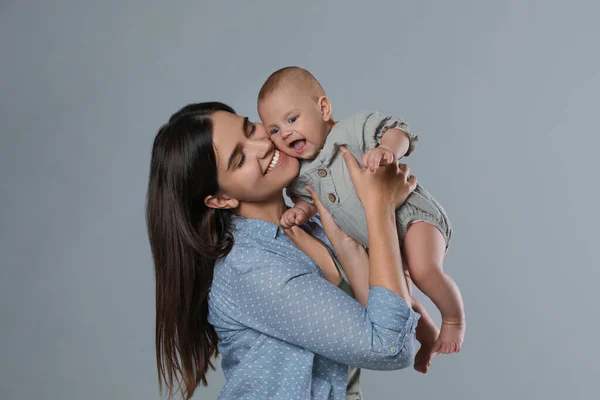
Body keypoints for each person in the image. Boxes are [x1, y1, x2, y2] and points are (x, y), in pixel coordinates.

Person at [146, 102, 421, 399]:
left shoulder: (313, 225)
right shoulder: (250, 266)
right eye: (240, 159)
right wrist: (379, 206)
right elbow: (390, 348)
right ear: (220, 199)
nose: (262, 144)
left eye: (250, 128)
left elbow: (392, 318)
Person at [258, 67, 465, 357]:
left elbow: (398, 130)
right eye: (275, 130)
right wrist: (301, 213)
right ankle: (426, 335)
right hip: (380, 242)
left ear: (323, 108)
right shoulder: (299, 174)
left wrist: (388, 149)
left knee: (423, 270)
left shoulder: (351, 130)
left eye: (292, 119)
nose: (286, 132)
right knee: (390, 298)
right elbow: (310, 202)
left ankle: (453, 319)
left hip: (413, 218)